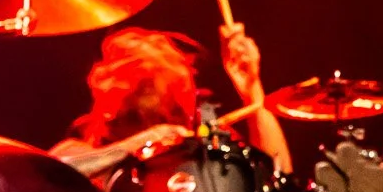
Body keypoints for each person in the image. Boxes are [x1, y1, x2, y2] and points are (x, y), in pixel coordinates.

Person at [49, 24, 292, 178]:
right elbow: (48, 177)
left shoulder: (198, 146)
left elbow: (280, 179)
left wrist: (252, 92)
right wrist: (143, 144)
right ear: (111, 108)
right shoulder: (82, 150)